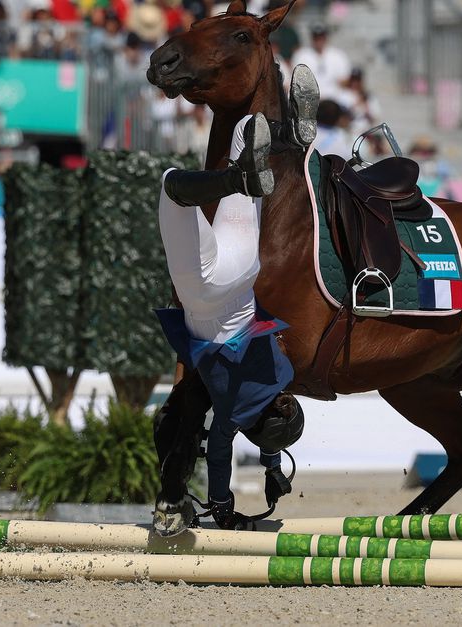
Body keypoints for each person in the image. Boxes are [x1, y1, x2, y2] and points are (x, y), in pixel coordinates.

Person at [152, 67, 317, 533]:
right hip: (203, 288)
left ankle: (296, 137)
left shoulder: (281, 374)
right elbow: (220, 458)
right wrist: (222, 508)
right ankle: (234, 180)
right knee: (172, 188)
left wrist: (273, 464)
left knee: (248, 134)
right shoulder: (231, 415)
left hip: (246, 270)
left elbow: (274, 423)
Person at [289, 24, 350, 101]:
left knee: (350, 98)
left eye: (321, 37)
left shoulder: (338, 55)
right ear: (312, 38)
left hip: (333, 96)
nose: (319, 40)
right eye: (316, 37)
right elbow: (296, 80)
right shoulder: (301, 55)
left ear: (325, 38)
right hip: (309, 97)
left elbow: (344, 80)